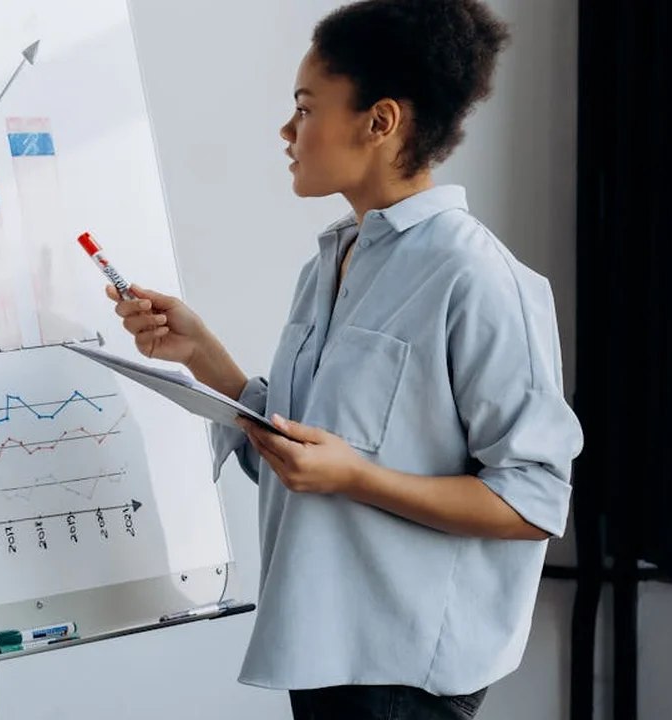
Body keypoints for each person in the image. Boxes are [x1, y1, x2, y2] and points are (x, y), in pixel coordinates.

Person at [107, 0, 584, 717]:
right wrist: (206, 359)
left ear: (380, 121)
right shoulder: (333, 261)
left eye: (304, 108)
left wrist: (356, 477)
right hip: (323, 649)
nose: (287, 130)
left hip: (403, 673)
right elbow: (308, 451)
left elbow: (534, 500)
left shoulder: (477, 277)